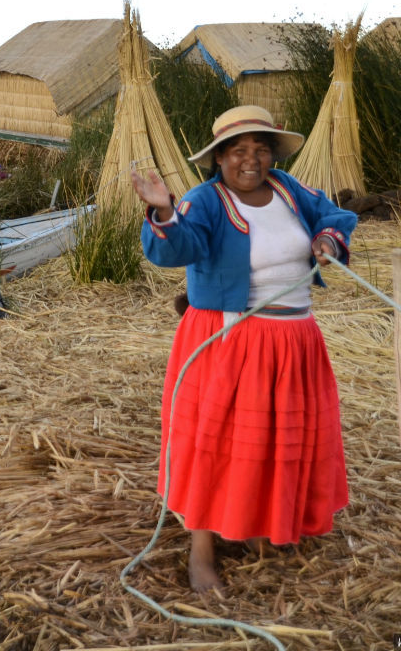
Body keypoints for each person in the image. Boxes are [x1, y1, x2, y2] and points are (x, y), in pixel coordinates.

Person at [130, 105, 356, 593]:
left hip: (295, 342)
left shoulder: (290, 191)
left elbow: (337, 215)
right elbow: (175, 248)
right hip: (228, 340)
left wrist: (328, 239)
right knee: (215, 444)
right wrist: (163, 211)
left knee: (275, 442)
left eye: (260, 150)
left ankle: (259, 527)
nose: (250, 160)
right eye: (238, 152)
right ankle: (202, 551)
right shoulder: (205, 200)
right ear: (218, 159)